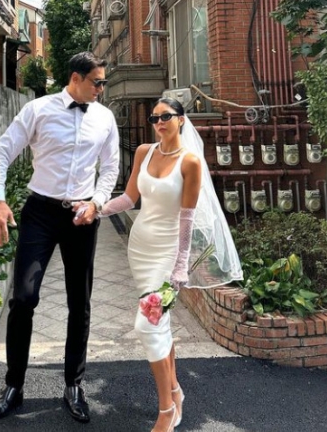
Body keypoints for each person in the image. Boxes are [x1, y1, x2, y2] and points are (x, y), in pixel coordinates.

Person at [87, 98, 242, 432]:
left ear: (181, 120)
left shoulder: (190, 162)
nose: (159, 122)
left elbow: (187, 219)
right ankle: (174, 391)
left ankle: (166, 410)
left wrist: (181, 266)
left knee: (147, 326)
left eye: (166, 116)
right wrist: (96, 208)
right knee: (161, 327)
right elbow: (129, 198)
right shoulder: (144, 152)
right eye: (154, 118)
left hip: (168, 253)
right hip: (140, 249)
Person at [0, 51, 119, 424]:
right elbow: (1, 153)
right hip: (41, 213)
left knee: (80, 302)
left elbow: (110, 168)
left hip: (82, 216)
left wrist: (97, 202)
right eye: (97, 82)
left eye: (103, 82)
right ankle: (13, 386)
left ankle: (74, 385)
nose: (101, 89)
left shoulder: (105, 118)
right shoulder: (38, 110)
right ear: (76, 78)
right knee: (24, 298)